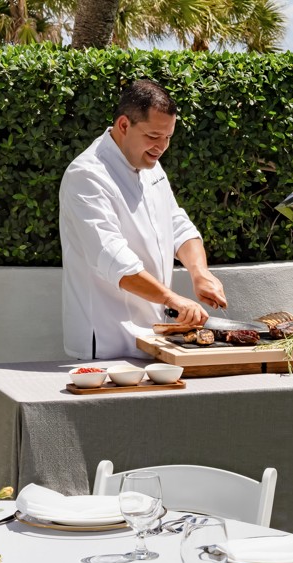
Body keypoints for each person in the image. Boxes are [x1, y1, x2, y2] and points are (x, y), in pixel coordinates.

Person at [59, 79, 227, 360]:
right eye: (153, 136)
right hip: (106, 342)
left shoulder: (149, 162)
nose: (161, 147)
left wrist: (200, 272)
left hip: (153, 336)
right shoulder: (87, 175)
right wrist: (171, 298)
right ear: (124, 125)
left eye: (168, 137)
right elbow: (113, 259)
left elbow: (177, 223)